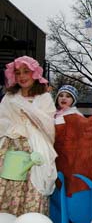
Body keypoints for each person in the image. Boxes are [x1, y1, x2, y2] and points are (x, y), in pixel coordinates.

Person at [0, 56, 58, 215]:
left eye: (26, 72)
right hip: (11, 148)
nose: (22, 76)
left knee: (33, 187)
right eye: (18, 73)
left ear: (35, 73)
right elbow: (2, 121)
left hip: (36, 151)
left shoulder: (44, 97)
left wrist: (30, 114)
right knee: (8, 185)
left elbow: (48, 123)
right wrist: (17, 127)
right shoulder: (10, 97)